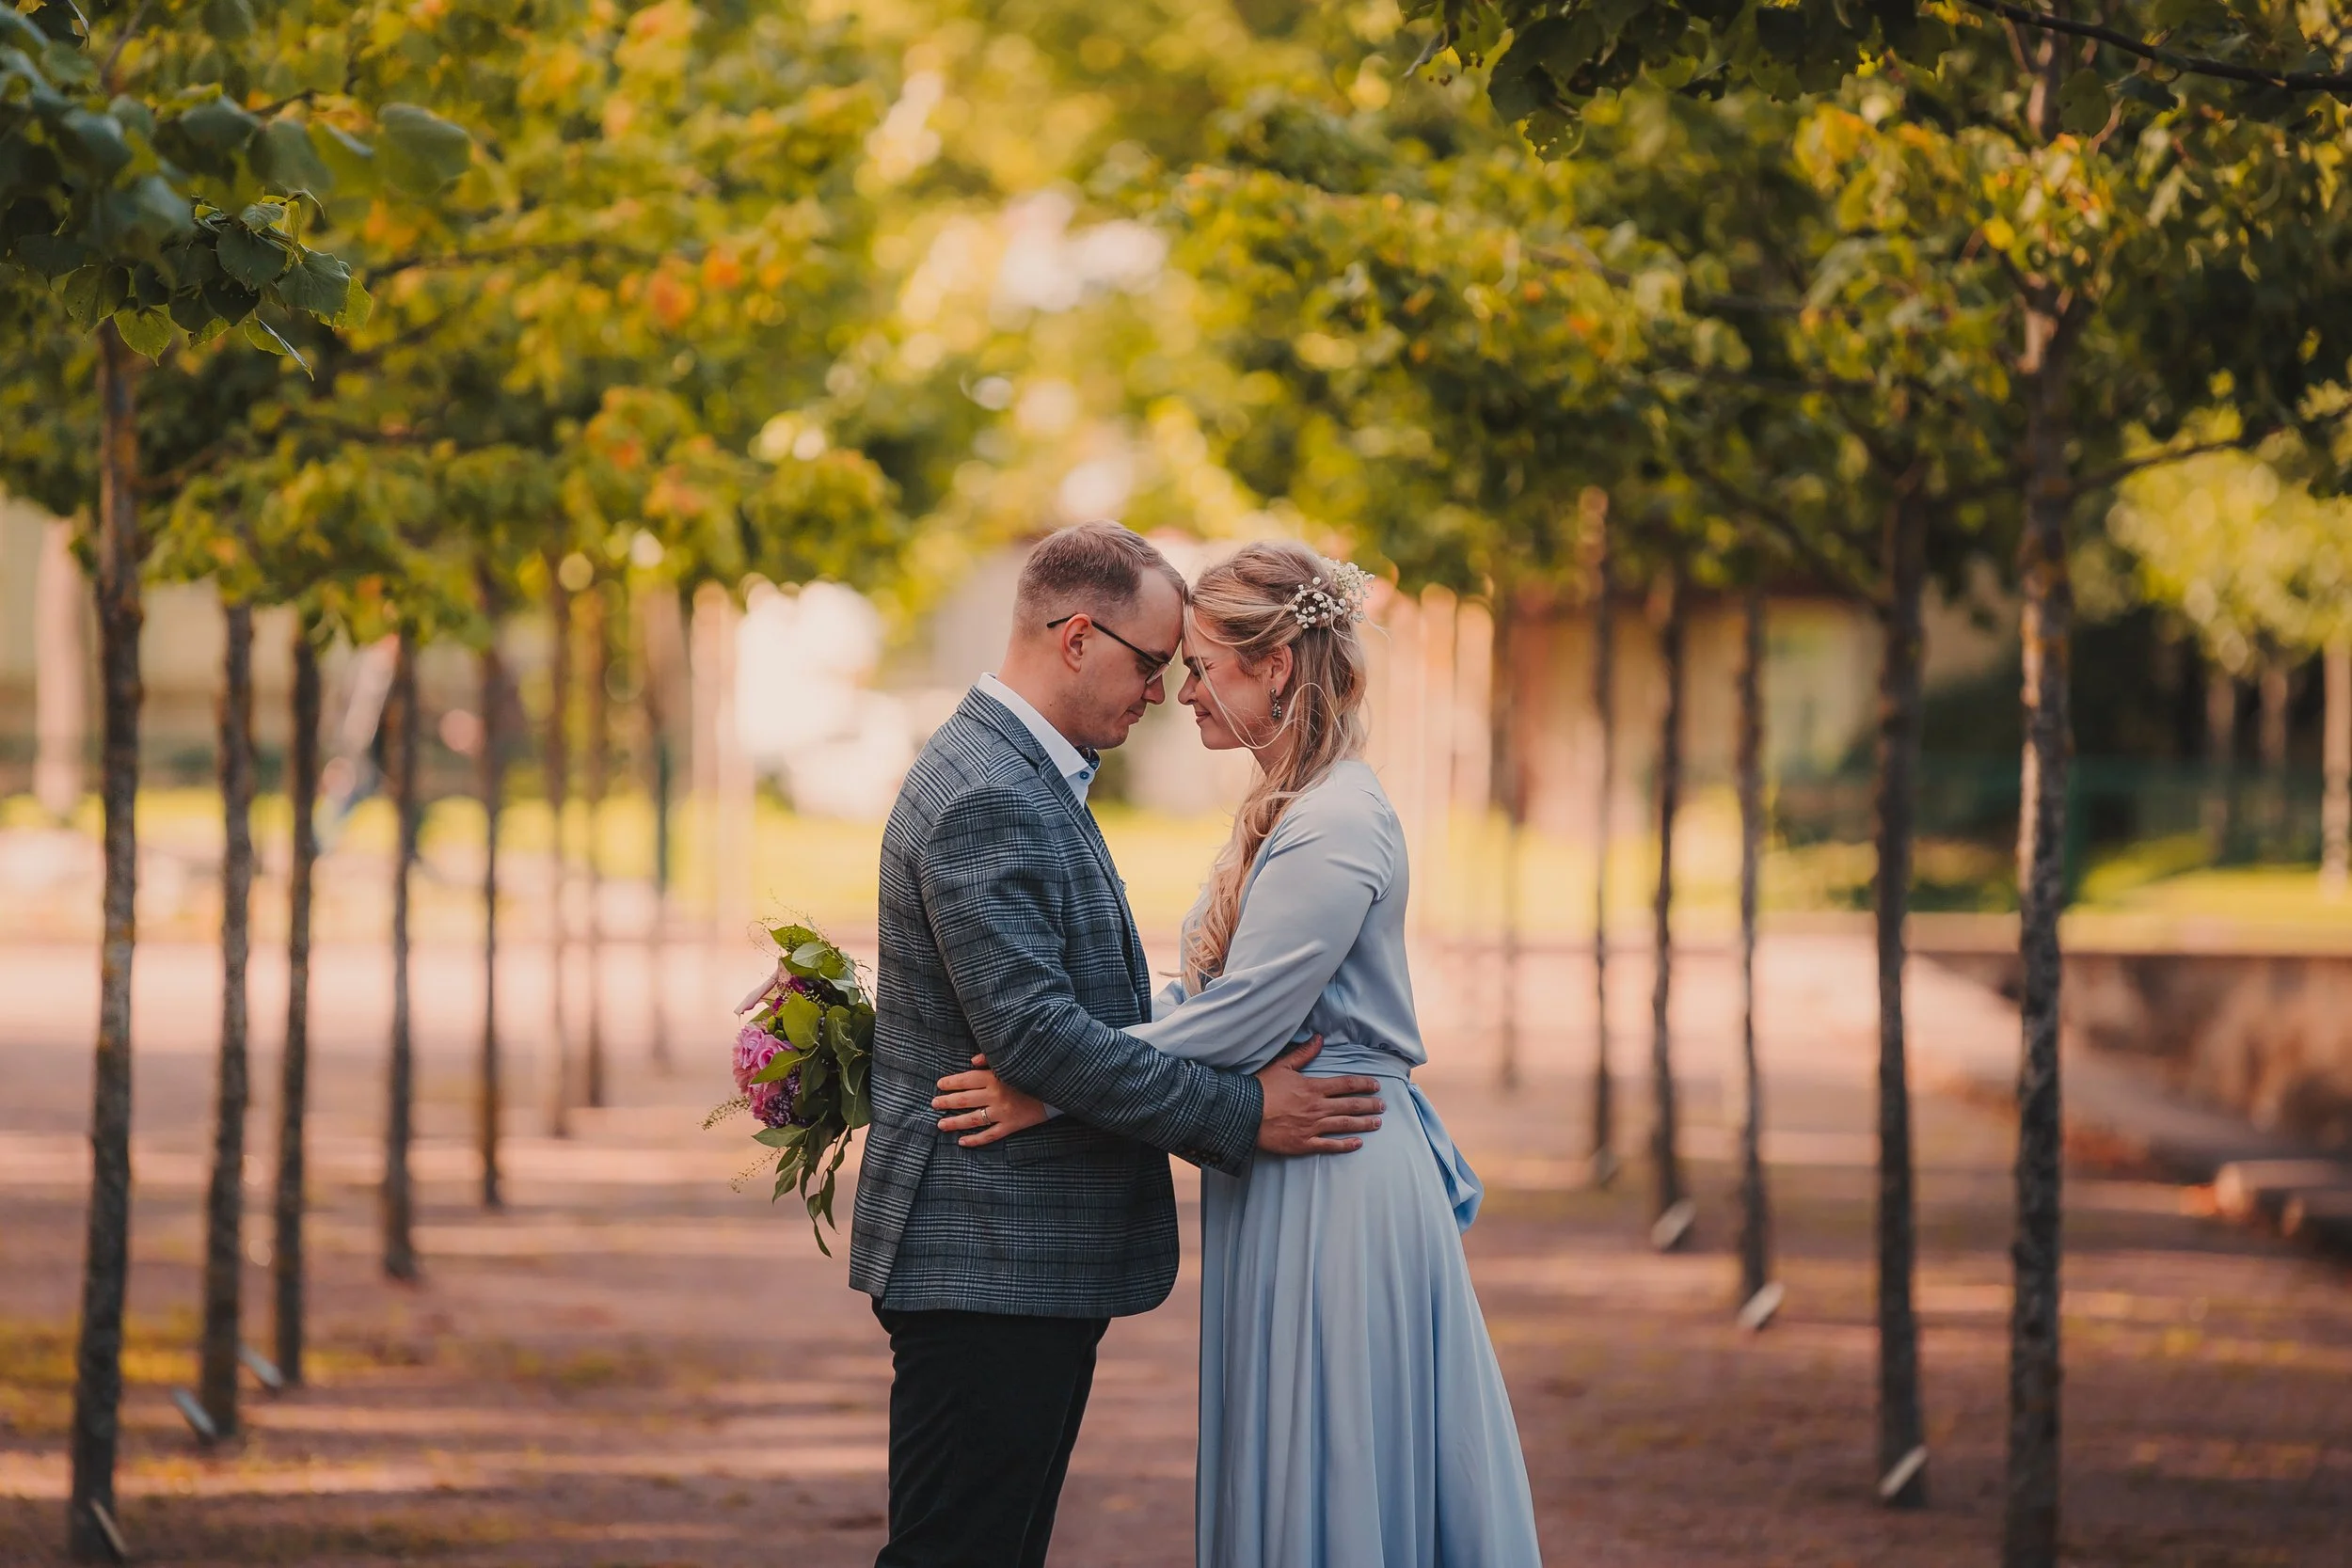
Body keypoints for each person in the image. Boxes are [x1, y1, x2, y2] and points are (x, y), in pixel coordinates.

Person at [933, 541, 1545, 1567]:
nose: (1181, 693)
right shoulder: (1295, 806)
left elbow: (1242, 1021)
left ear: (1275, 669)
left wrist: (1048, 1089)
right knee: (1295, 1446)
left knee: (1338, 1447)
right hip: (1284, 1160)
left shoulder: (1338, 821)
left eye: (1204, 665)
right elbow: (1202, 1003)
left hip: (1335, 1173)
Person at [848, 522, 1390, 1568]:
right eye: (1152, 662)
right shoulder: (991, 792)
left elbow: (1066, 1019)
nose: (1164, 690)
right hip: (988, 1254)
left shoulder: (1023, 767)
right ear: (1077, 637)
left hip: (1010, 1254)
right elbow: (1037, 1033)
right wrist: (1244, 1110)